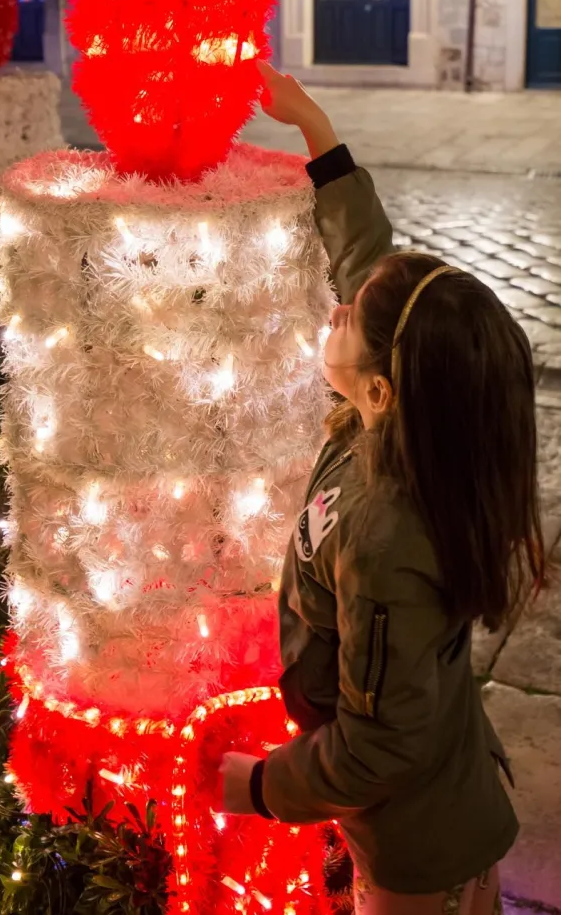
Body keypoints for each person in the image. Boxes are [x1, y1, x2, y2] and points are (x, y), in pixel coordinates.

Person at [220, 61, 546, 914]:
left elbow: (382, 743)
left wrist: (258, 787)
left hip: (411, 847)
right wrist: (312, 124)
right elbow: (369, 256)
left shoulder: (386, 536)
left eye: (348, 315)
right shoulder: (405, 420)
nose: (337, 306)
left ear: (380, 391)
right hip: (439, 789)